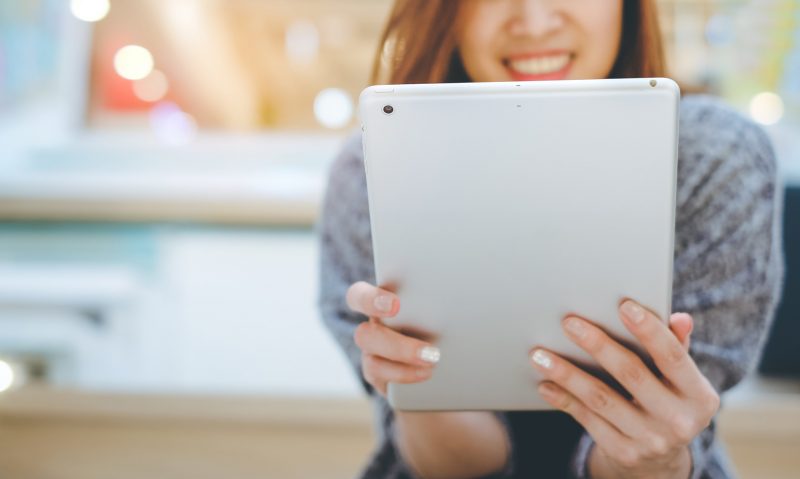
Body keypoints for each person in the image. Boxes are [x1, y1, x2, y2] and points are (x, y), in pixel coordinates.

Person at [317, 1, 784, 478]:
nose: (535, 23)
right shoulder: (372, 172)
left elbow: (667, 451)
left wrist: (653, 456)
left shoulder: (717, 158)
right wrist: (419, 394)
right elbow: (455, 466)